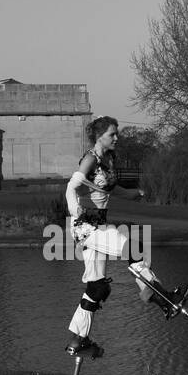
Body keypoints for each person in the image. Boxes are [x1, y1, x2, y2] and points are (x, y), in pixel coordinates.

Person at [63, 115, 146, 355]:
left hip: (97, 224)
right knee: (134, 248)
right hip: (87, 226)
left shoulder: (106, 160)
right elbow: (72, 186)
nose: (117, 137)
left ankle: (78, 340)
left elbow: (109, 188)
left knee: (98, 288)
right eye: (112, 134)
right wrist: (75, 209)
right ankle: (157, 296)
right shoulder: (90, 159)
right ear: (100, 136)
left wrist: (133, 194)